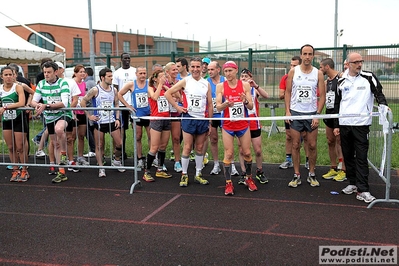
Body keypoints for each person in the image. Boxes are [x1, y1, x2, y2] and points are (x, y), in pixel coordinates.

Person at [334, 52, 388, 203]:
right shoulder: (341, 80)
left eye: (361, 61)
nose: (359, 64)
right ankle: (352, 183)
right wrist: (336, 125)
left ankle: (363, 189)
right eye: (356, 62)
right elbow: (338, 103)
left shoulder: (369, 77)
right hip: (345, 124)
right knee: (348, 155)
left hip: (361, 124)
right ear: (348, 64)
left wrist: (384, 106)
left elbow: (379, 94)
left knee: (362, 157)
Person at [165, 57, 213, 187]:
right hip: (189, 118)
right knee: (187, 147)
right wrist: (178, 108)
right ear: (189, 68)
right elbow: (168, 93)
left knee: (199, 148)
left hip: (202, 120)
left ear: (202, 68)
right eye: (193, 67)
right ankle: (184, 174)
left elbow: (209, 104)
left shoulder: (206, 83)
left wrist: (209, 122)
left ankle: (198, 174)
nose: (195, 69)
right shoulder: (185, 81)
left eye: (198, 67)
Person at [284, 44, 326, 188]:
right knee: (296, 144)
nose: (307, 57)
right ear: (301, 55)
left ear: (313, 56)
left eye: (310, 54)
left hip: (311, 113)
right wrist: (288, 111)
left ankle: (312, 174)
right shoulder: (293, 72)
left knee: (312, 145)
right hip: (296, 112)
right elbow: (288, 92)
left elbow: (323, 96)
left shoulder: (318, 73)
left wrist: (317, 115)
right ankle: (296, 175)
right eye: (305, 54)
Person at [216, 61, 258, 196]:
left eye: (230, 71)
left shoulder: (244, 85)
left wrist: (245, 100)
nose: (227, 74)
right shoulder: (220, 86)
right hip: (228, 125)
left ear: (236, 71)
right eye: (225, 71)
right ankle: (228, 183)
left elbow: (251, 106)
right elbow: (217, 107)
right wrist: (225, 104)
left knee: (247, 153)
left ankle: (248, 178)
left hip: (242, 124)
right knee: (229, 153)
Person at [31, 61, 73, 183]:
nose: (46, 74)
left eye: (49, 72)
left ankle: (64, 155)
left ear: (55, 72)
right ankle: (61, 172)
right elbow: (33, 101)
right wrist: (38, 105)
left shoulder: (63, 83)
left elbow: (64, 103)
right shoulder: (41, 84)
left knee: (59, 129)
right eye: (44, 72)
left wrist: (46, 105)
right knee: (55, 144)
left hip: (63, 114)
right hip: (49, 117)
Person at [80, 67, 125, 177]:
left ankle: (117, 160)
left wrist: (118, 118)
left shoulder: (114, 90)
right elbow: (83, 101)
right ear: (102, 77)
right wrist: (89, 116)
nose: (111, 78)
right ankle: (101, 168)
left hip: (111, 121)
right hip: (99, 122)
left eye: (111, 76)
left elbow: (117, 104)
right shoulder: (95, 90)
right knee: (99, 145)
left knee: (119, 143)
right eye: (109, 76)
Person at [237, 68, 269, 184]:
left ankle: (259, 171)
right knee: (242, 149)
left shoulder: (253, 90)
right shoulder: (237, 89)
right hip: (241, 122)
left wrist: (256, 86)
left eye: (246, 76)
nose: (244, 78)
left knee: (258, 150)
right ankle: (244, 172)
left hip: (254, 122)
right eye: (242, 76)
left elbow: (267, 96)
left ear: (250, 78)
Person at [141, 69, 173, 182]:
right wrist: (160, 85)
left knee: (163, 146)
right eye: (161, 76)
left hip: (166, 119)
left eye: (164, 76)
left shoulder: (165, 88)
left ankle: (160, 169)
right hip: (156, 120)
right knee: (154, 147)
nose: (163, 78)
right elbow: (154, 97)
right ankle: (147, 172)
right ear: (155, 78)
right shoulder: (151, 88)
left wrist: (167, 86)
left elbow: (177, 95)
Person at [319, 58, 346, 182]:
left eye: (321, 67)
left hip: (339, 113)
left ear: (327, 67)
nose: (320, 70)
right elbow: (323, 98)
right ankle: (333, 167)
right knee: (330, 141)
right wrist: (317, 113)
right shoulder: (326, 82)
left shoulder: (340, 78)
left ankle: (343, 169)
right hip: (329, 113)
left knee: (340, 141)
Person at [118, 66, 151, 169]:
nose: (142, 75)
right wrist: (128, 106)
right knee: (138, 137)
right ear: (136, 74)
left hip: (149, 114)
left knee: (151, 137)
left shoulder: (149, 83)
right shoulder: (131, 84)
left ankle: (152, 157)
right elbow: (119, 94)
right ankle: (139, 158)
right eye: (140, 73)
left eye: (144, 73)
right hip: (136, 115)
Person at [0, 66, 29, 181]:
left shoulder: (18, 87)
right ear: (2, 76)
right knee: (11, 147)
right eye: (6, 75)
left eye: (10, 74)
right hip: (7, 120)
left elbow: (21, 102)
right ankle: (15, 170)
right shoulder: (0, 88)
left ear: (14, 75)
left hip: (19, 119)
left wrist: (5, 107)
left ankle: (25, 170)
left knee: (20, 147)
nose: (8, 77)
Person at [112, 52, 137, 160]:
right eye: (125, 58)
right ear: (121, 59)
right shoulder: (117, 73)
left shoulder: (134, 71)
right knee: (122, 130)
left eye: (129, 58)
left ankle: (138, 153)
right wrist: (116, 103)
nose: (127, 60)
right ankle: (121, 152)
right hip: (122, 105)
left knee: (136, 129)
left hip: (133, 104)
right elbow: (115, 89)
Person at [66, 64, 90, 171]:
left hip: (82, 112)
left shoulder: (84, 84)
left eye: (84, 72)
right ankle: (70, 158)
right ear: (75, 73)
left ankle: (80, 156)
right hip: (73, 112)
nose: (82, 74)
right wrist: (72, 112)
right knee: (72, 137)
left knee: (81, 135)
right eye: (80, 72)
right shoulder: (71, 83)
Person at [278, 56, 301, 169]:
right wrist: (289, 92)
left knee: (306, 137)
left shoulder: (307, 77)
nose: (292, 67)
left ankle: (307, 161)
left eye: (295, 66)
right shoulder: (285, 78)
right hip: (290, 111)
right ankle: (288, 159)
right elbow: (281, 95)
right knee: (289, 136)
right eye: (291, 65)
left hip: (303, 111)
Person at [205, 61, 225, 175]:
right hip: (212, 115)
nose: (210, 72)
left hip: (224, 115)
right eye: (208, 70)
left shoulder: (224, 81)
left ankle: (231, 164)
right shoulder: (206, 82)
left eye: (212, 69)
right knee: (213, 139)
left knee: (228, 141)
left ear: (218, 69)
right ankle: (216, 164)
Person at [164, 62, 183, 173]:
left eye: (177, 69)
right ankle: (160, 161)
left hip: (175, 113)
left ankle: (177, 161)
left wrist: (171, 90)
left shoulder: (179, 82)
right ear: (167, 72)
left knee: (176, 138)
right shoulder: (163, 82)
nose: (176, 71)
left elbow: (180, 98)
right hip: (165, 113)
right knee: (163, 142)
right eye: (173, 70)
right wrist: (168, 87)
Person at [83, 67, 96, 158]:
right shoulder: (94, 82)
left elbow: (86, 98)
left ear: (86, 74)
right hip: (93, 109)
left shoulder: (87, 84)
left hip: (89, 109)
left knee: (88, 130)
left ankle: (93, 149)